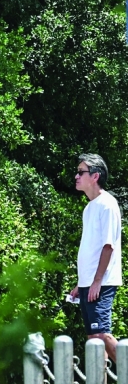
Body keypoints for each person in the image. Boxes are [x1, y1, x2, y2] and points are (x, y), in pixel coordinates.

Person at [69, 154, 122, 365]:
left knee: (101, 334)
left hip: (102, 282)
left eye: (81, 172)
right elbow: (91, 248)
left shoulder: (107, 204)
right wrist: (80, 283)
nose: (76, 176)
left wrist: (97, 281)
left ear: (95, 176)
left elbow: (108, 246)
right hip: (88, 283)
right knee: (94, 339)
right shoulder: (90, 207)